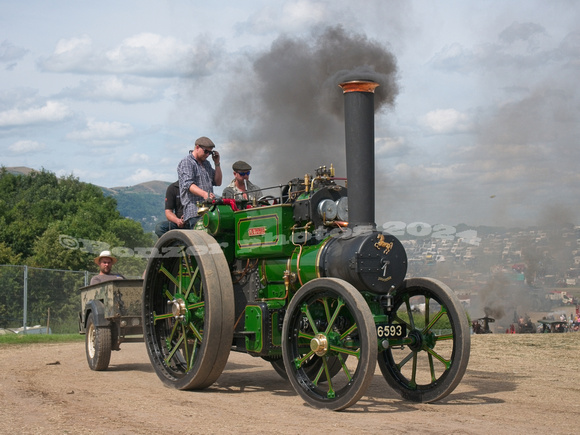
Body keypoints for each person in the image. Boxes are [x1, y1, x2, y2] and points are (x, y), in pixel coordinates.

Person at [177, 136, 222, 229]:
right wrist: (205, 194)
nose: (207, 155)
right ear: (197, 147)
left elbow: (218, 182)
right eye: (206, 151)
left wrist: (217, 163)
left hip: (209, 210)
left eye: (210, 152)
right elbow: (188, 184)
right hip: (194, 212)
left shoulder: (207, 164)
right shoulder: (187, 162)